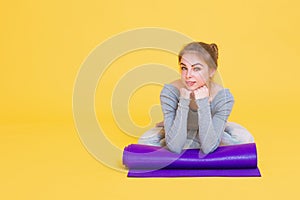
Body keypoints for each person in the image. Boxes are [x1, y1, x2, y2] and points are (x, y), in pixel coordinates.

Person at [138, 42, 254, 154]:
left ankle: (221, 126)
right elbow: (175, 147)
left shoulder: (223, 98)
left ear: (211, 71)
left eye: (196, 69)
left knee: (244, 139)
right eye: (184, 68)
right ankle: (170, 127)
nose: (188, 75)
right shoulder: (169, 92)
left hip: (208, 129)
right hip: (181, 128)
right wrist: (183, 101)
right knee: (145, 141)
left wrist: (203, 103)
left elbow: (209, 148)